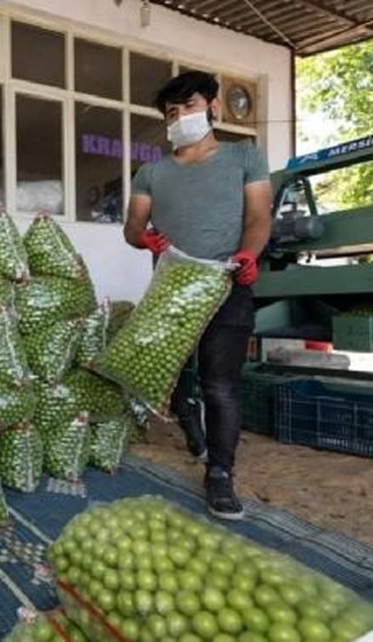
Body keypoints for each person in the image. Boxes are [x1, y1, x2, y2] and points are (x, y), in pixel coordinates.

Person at [124, 71, 272, 521]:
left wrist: (248, 254)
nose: (180, 117)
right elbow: (133, 227)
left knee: (221, 384)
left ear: (212, 108)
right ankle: (185, 412)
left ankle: (220, 474)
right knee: (170, 368)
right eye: (172, 113)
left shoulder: (244, 157)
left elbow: (259, 215)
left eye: (188, 106)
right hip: (173, 288)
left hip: (227, 282)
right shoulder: (152, 171)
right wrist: (143, 239)